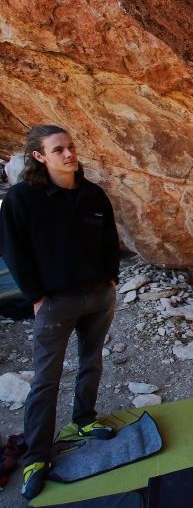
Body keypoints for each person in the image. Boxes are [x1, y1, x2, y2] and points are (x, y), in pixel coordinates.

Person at [0, 125, 120, 500]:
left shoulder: (92, 194)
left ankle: (83, 420)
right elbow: (14, 251)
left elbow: (110, 239)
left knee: (91, 362)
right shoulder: (22, 198)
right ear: (39, 157)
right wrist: (36, 296)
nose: (69, 155)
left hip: (98, 296)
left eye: (71, 147)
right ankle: (37, 455)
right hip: (55, 302)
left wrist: (112, 279)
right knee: (46, 379)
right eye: (58, 150)